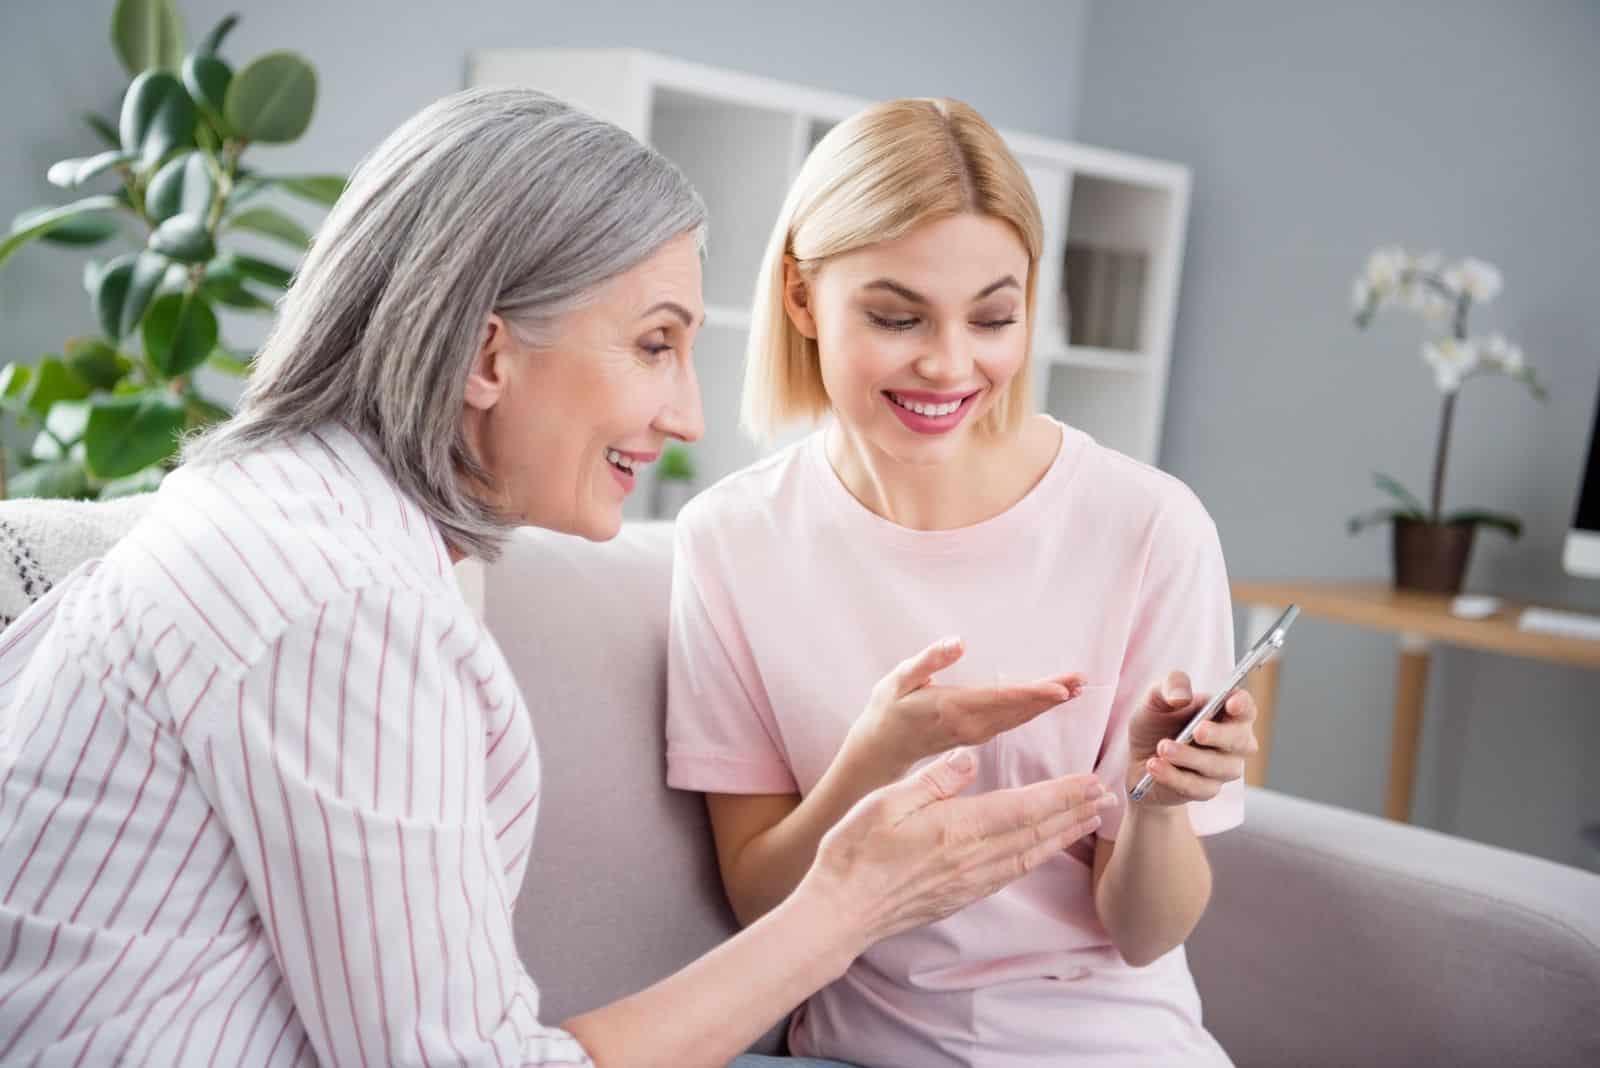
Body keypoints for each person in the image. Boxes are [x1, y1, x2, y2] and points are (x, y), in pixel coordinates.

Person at [0, 89, 1112, 1067]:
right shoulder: (340, 604)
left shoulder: (270, 511)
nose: (682, 415)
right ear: (487, 356)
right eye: (654, 343)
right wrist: (849, 903)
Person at [667, 98, 1260, 1068]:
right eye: (896, 316)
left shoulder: (1150, 529)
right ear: (801, 299)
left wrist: (1153, 802)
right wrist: (871, 762)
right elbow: (759, 907)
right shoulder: (730, 539)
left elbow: (1145, 934)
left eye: (993, 317)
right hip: (862, 1052)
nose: (949, 364)